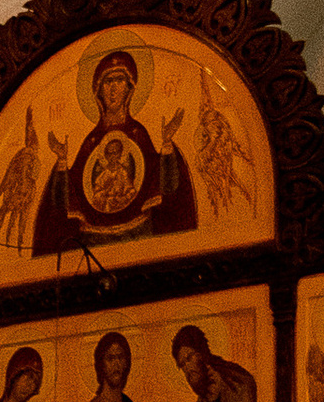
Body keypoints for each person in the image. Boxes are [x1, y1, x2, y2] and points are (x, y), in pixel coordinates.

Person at [32, 45, 201, 255]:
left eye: (119, 80)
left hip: (138, 232)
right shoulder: (92, 141)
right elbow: (66, 200)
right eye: (108, 81)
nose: (113, 89)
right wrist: (61, 162)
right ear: (98, 90)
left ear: (129, 88)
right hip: (93, 238)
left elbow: (165, 186)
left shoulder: (138, 133)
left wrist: (167, 145)